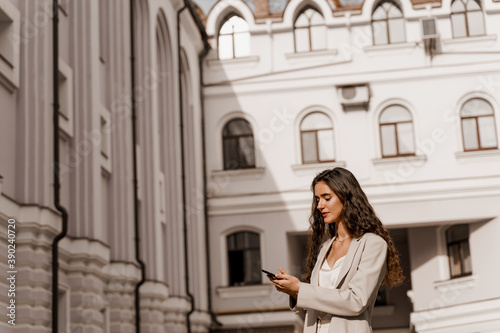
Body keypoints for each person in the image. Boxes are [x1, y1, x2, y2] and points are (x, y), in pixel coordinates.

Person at [269, 167, 403, 333]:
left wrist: (300, 289)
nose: (319, 205)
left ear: (347, 198)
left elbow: (356, 301)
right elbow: (320, 302)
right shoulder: (326, 247)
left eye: (327, 198)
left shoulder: (373, 244)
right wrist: (294, 291)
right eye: (317, 199)